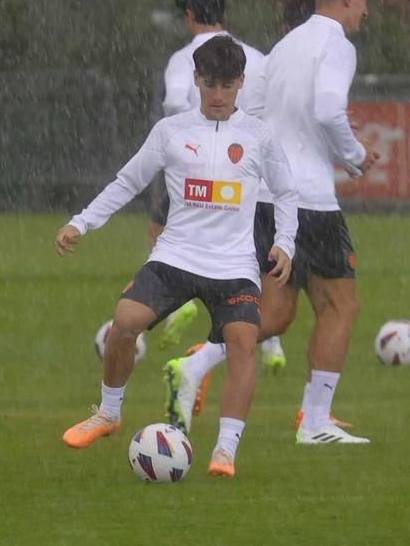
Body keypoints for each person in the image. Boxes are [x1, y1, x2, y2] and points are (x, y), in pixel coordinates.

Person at [56, 36, 299, 477]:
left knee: (244, 342)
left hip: (233, 264)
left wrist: (285, 242)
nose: (219, 96)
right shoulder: (171, 132)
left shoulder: (259, 136)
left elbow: (285, 192)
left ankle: (225, 450)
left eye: (227, 85)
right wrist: (81, 222)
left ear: (242, 83)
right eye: (210, 85)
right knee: (125, 321)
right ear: (196, 82)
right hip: (176, 256)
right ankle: (109, 413)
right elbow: (127, 182)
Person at [166, 0, 378, 443]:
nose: (366, 12)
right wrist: (356, 154)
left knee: (277, 313)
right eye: (365, 1)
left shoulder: (286, 46)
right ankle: (317, 422)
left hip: (268, 197)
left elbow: (257, 112)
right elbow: (327, 109)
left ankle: (194, 364)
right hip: (309, 201)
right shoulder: (336, 45)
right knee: (340, 305)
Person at [152, 0, 268, 350]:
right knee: (249, 252)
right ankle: (267, 340)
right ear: (225, 12)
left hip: (198, 170)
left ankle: (174, 298)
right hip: (248, 174)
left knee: (163, 225)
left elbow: (173, 104)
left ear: (189, 17)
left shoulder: (185, 58)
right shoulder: (255, 57)